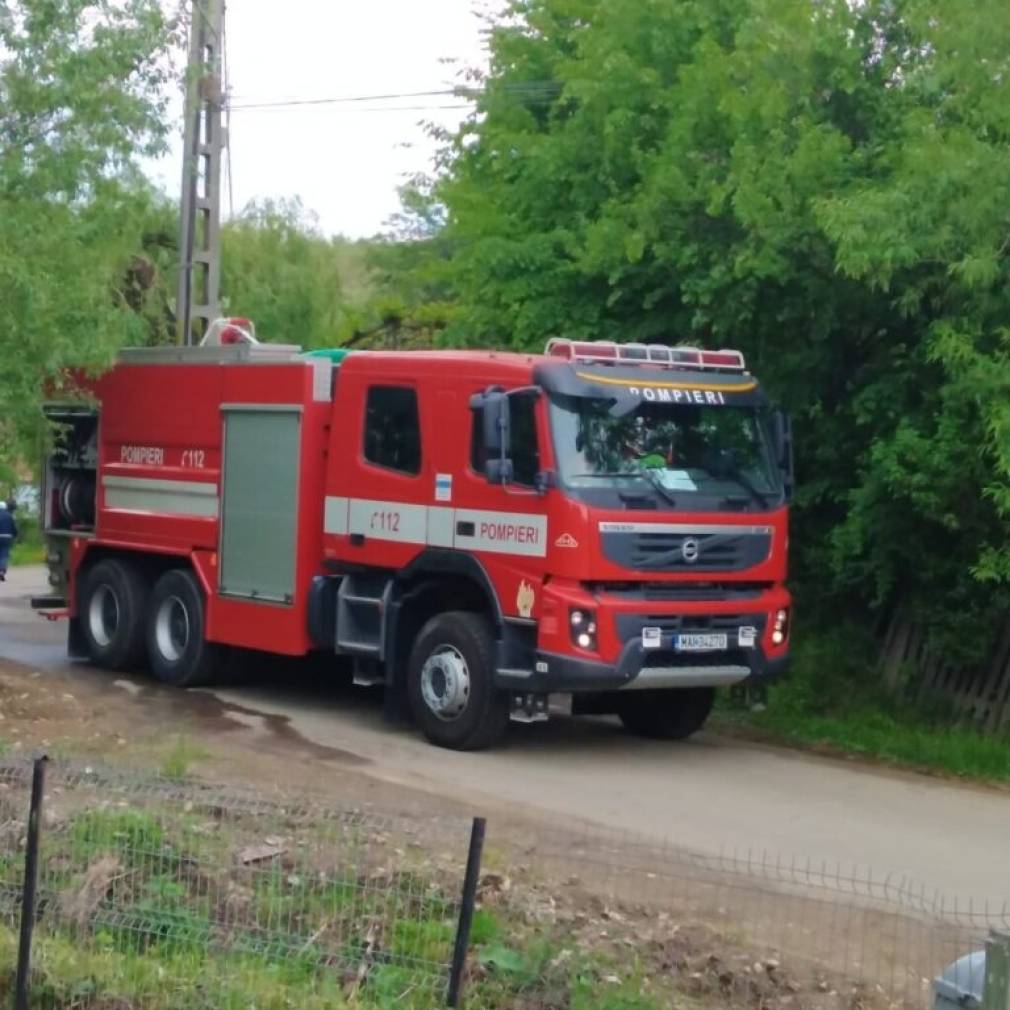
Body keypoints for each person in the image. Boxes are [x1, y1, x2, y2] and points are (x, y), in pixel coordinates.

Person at [0, 499, 17, 582]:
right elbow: (13, 527)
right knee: (4, 554)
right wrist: (15, 535)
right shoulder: (9, 515)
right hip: (7, 537)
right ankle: (2, 571)